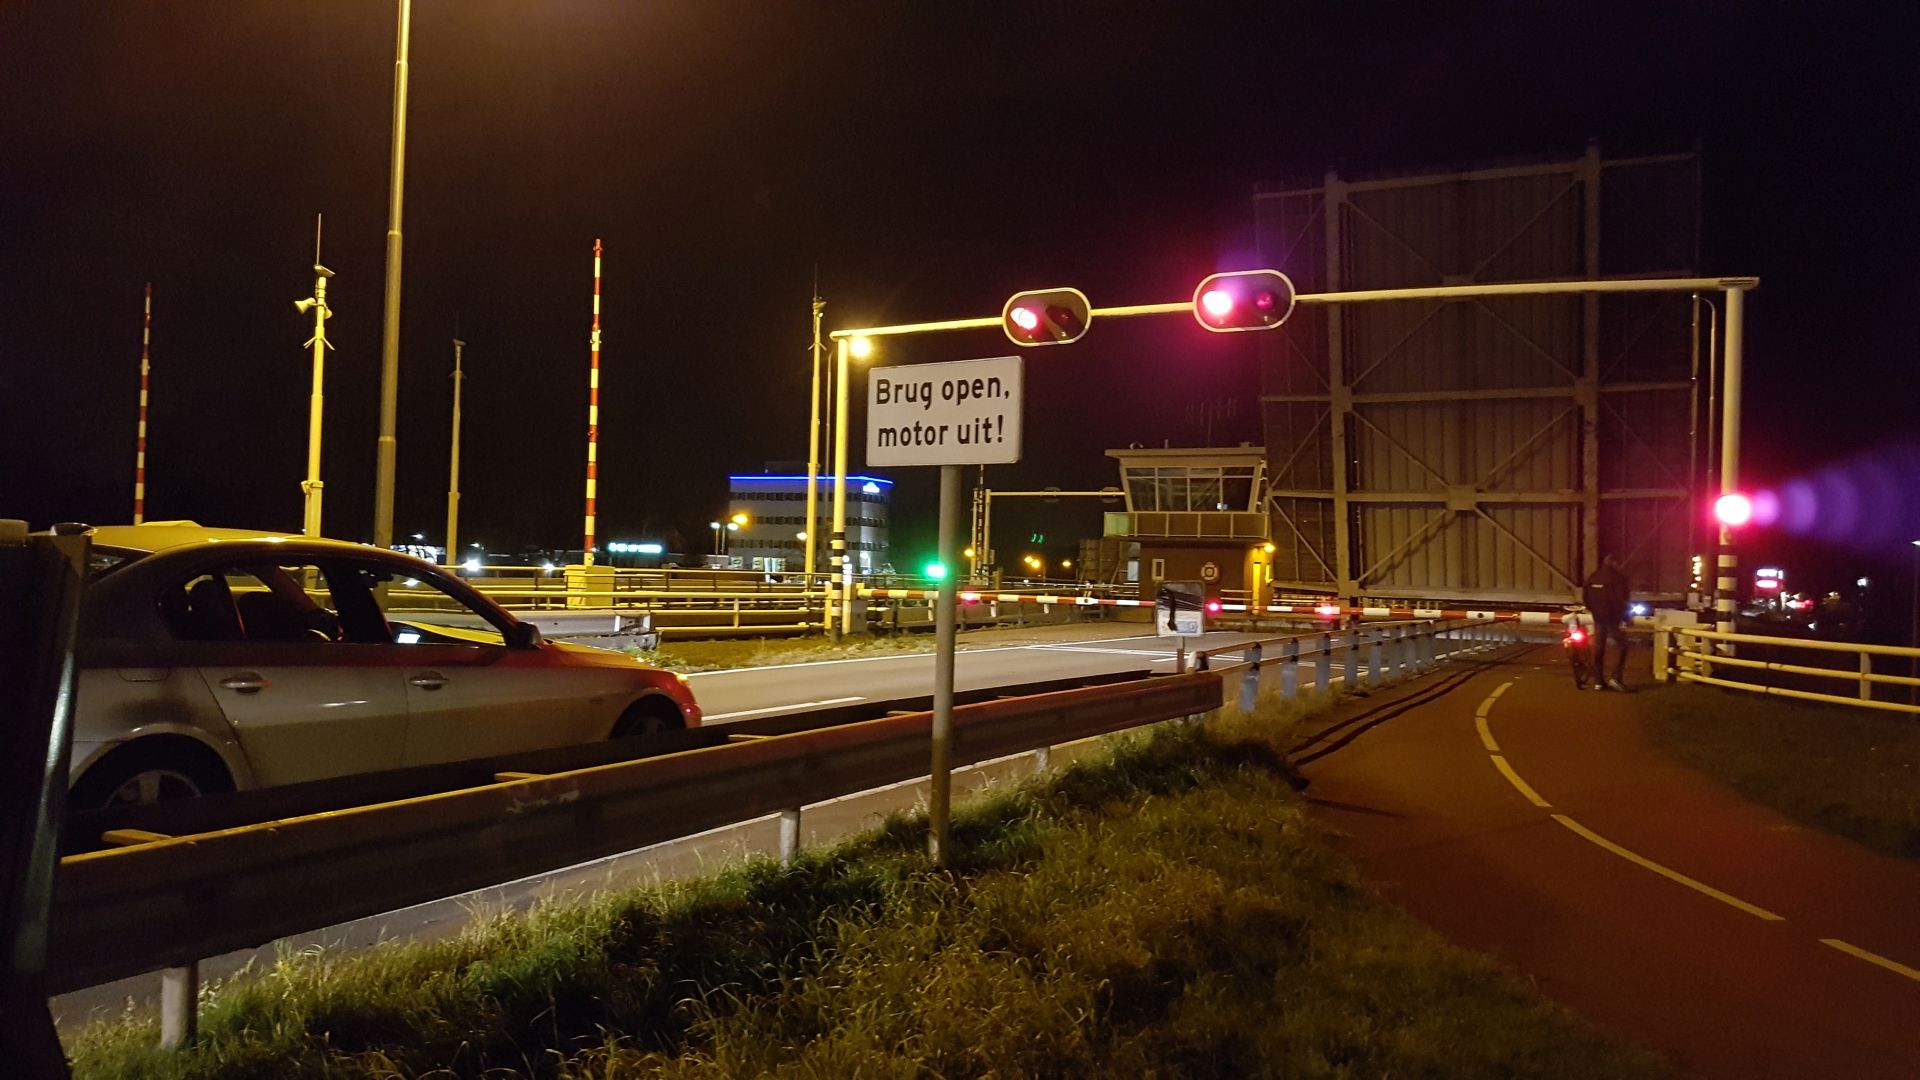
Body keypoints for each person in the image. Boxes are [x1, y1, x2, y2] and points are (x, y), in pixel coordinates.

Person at [1581, 554, 1631, 690]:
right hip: (1613, 618)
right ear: (1615, 563)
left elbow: (1585, 598)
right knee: (1623, 646)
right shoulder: (1619, 579)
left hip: (1598, 617)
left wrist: (1594, 611)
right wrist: (1625, 617)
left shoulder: (1593, 577)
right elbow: (1622, 600)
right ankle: (1616, 678)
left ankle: (1598, 681)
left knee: (1599, 648)